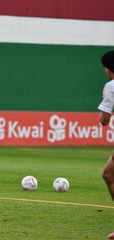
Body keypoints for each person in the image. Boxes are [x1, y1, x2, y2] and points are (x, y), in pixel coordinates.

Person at [97, 50, 114, 239]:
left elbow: (104, 120)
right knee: (108, 174)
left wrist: (102, 116)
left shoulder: (111, 86)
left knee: (109, 175)